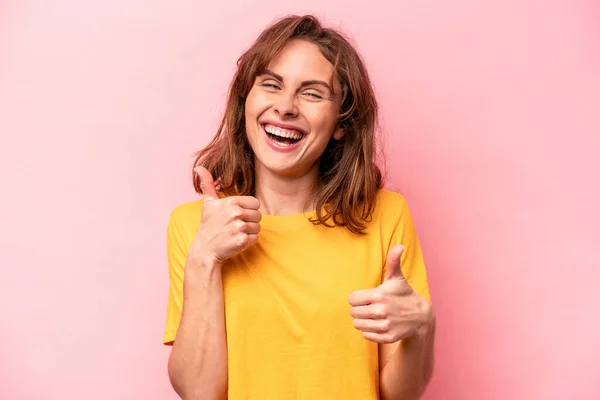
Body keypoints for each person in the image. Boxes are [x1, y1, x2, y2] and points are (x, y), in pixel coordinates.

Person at [163, 14, 435, 400]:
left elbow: (400, 395)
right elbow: (199, 392)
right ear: (246, 101)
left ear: (342, 122)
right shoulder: (194, 225)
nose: (285, 107)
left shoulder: (386, 215)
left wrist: (421, 328)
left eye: (312, 93)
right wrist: (204, 259)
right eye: (271, 85)